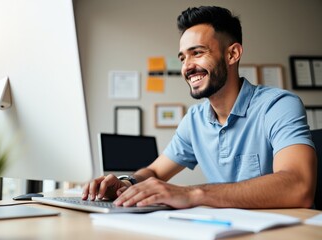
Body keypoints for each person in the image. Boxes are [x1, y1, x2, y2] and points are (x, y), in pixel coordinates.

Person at [82, 6, 317, 209]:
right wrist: (126, 184)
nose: (187, 67)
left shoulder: (278, 105)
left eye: (197, 53)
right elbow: (154, 172)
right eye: (183, 57)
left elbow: (299, 186)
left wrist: (191, 194)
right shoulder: (194, 120)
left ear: (232, 54)